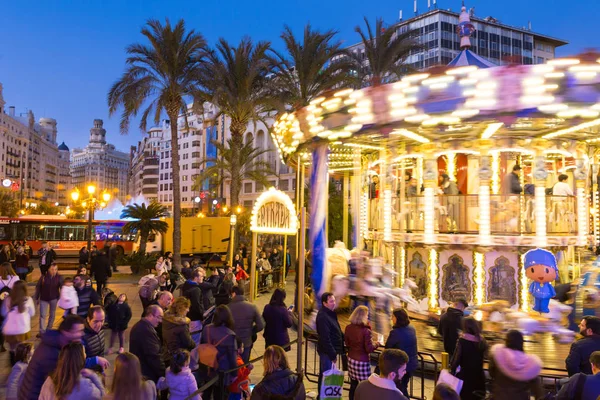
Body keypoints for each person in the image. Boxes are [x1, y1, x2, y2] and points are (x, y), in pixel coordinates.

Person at [19, 315, 86, 400]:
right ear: (66, 332)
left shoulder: (57, 343)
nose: (82, 334)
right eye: (78, 331)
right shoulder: (52, 354)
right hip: (33, 396)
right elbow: (63, 381)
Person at [488, 330, 543, 400]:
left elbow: (491, 373)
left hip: (500, 396)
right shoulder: (529, 363)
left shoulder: (498, 356)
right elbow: (537, 388)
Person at [39, 342, 105, 400]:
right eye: (84, 353)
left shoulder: (49, 380)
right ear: (80, 359)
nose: (86, 355)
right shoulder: (84, 385)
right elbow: (102, 396)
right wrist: (93, 375)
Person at [200, 305, 238, 398]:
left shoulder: (206, 329)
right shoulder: (230, 335)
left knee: (207, 392)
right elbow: (232, 358)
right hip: (222, 369)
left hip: (207, 366)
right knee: (220, 394)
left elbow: (202, 345)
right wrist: (234, 374)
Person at [345, 305, 379, 400]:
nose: (368, 317)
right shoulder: (366, 331)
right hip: (362, 362)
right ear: (362, 316)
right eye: (367, 315)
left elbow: (347, 343)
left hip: (351, 360)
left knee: (353, 384)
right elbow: (369, 349)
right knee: (365, 386)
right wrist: (377, 344)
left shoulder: (348, 327)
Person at [450, 317, 487, 400]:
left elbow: (455, 361)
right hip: (479, 377)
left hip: (465, 378)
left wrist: (452, 370)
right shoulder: (482, 341)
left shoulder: (462, 341)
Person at [316, 292, 344, 399]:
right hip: (327, 352)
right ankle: (324, 396)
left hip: (329, 351)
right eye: (331, 301)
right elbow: (325, 338)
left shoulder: (330, 313)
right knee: (326, 376)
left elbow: (336, 329)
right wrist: (332, 354)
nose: (334, 303)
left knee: (324, 374)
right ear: (324, 303)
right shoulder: (323, 317)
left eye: (334, 300)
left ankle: (323, 396)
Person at [385, 308, 418, 397]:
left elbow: (387, 349)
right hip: (411, 365)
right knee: (403, 387)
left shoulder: (395, 333)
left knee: (400, 390)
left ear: (397, 318)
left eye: (393, 316)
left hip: (400, 367)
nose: (392, 318)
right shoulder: (412, 328)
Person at [2, 280, 35, 365]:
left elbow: (3, 313)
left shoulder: (8, 299)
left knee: (12, 349)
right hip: (22, 329)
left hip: (9, 330)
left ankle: (13, 366)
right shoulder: (28, 299)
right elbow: (32, 313)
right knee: (21, 349)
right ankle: (20, 366)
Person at [129, 305, 166, 383]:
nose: (160, 321)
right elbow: (154, 356)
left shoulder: (141, 325)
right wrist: (164, 373)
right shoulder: (147, 331)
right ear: (150, 315)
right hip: (146, 374)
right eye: (159, 317)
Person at [228, 285, 265, 362]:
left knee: (233, 367)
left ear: (234, 294)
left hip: (231, 342)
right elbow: (261, 325)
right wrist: (251, 331)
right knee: (244, 365)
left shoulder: (228, 307)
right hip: (246, 341)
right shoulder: (252, 307)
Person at [162, 296, 196, 367]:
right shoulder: (181, 325)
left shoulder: (166, 319)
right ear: (182, 309)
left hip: (167, 354)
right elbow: (188, 343)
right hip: (179, 357)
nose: (188, 310)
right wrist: (194, 344)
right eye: (187, 308)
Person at [34, 262, 61, 337]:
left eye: (56, 269)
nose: (54, 271)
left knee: (52, 314)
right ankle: (42, 332)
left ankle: (49, 329)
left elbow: (62, 287)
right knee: (43, 315)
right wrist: (36, 298)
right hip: (44, 298)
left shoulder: (59, 277)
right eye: (52, 269)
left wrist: (62, 297)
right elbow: (38, 287)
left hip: (54, 298)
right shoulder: (43, 277)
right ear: (49, 269)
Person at [181, 268, 206, 343]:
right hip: (195, 318)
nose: (202, 278)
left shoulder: (186, 285)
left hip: (188, 316)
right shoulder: (196, 290)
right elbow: (197, 305)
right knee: (196, 339)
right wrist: (202, 317)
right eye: (201, 276)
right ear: (196, 277)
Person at [82, 305, 110, 371]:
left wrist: (102, 370)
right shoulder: (81, 336)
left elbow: (101, 352)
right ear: (88, 319)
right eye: (96, 321)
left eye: (102, 321)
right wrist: (96, 360)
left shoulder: (101, 330)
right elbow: (78, 363)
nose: (99, 325)